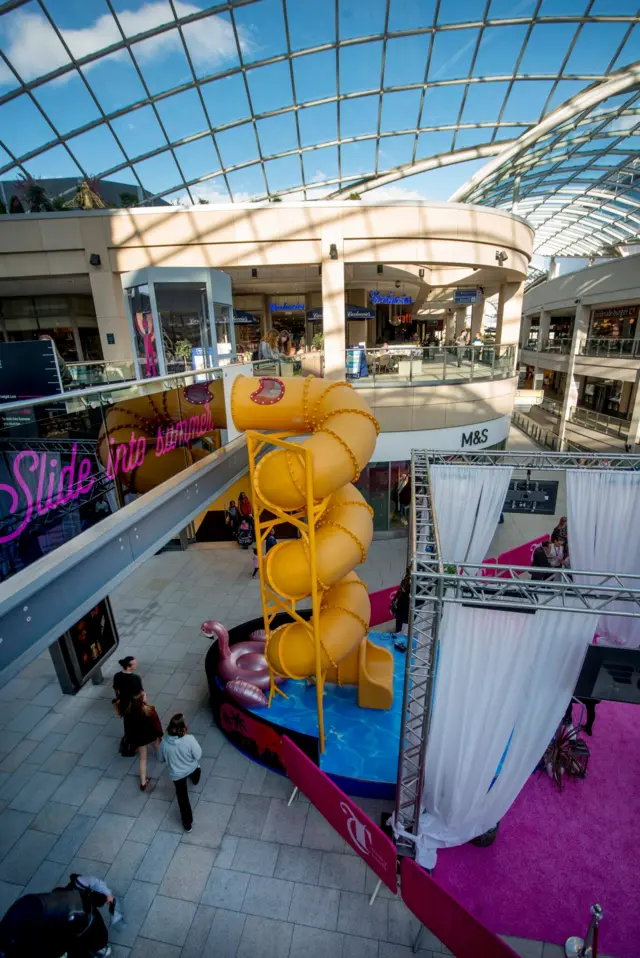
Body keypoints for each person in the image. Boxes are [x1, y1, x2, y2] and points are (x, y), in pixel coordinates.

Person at [159, 713, 203, 832]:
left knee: (182, 798)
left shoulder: (163, 743)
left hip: (176, 775)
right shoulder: (189, 739)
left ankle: (187, 824)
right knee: (196, 772)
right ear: (183, 728)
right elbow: (198, 755)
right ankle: (195, 780)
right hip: (191, 768)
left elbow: (160, 759)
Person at [117, 692, 162, 791]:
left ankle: (143, 782)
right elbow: (157, 724)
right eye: (145, 695)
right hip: (151, 734)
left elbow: (127, 729)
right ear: (142, 700)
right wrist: (159, 734)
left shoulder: (128, 712)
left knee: (143, 759)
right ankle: (160, 756)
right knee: (156, 745)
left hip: (139, 739)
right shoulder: (150, 710)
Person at [391, 567, 411, 635]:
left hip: (405, 613)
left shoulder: (411, 583)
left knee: (404, 631)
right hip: (400, 610)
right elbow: (400, 591)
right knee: (399, 628)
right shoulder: (406, 578)